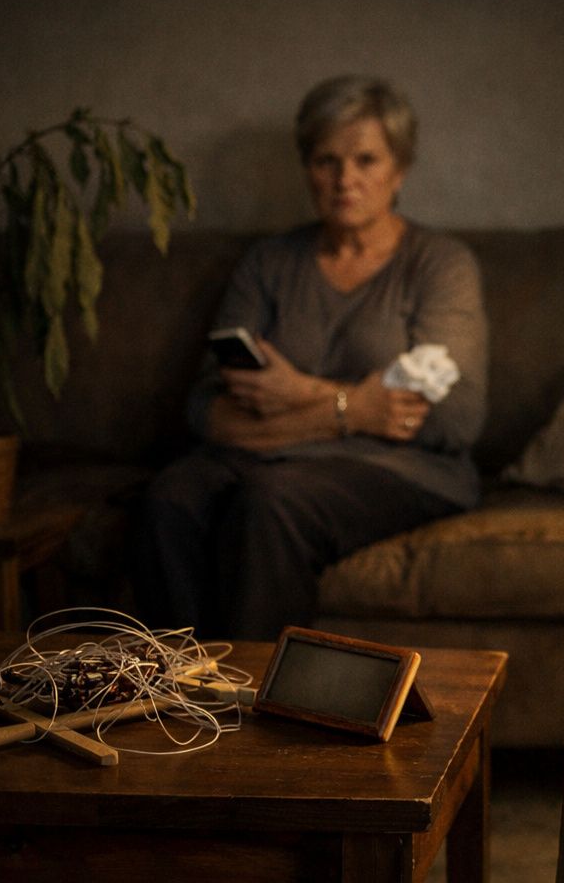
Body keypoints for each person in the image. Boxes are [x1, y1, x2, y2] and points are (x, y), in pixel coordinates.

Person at [136, 75, 488, 641]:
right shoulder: (269, 262)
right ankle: (171, 697)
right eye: (326, 160)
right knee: (169, 497)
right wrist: (356, 408)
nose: (345, 179)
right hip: (271, 456)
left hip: (400, 470)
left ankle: (256, 712)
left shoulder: (440, 265)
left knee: (272, 503)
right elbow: (206, 407)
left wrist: (297, 393)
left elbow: (455, 418)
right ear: (307, 169)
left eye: (366, 160)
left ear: (399, 171)